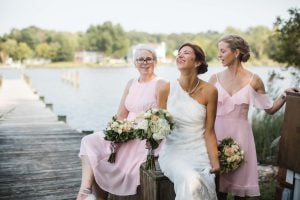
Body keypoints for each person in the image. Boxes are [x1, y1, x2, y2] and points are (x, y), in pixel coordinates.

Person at [208, 34, 298, 199]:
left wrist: (285, 95)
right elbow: (204, 109)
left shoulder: (254, 80)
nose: (219, 55)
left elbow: (269, 109)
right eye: (218, 51)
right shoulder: (214, 79)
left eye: (222, 51)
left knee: (240, 191)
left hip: (241, 139)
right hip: (217, 136)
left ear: (236, 53)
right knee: (217, 188)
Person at [77, 46, 169, 200]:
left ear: (155, 61)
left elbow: (162, 118)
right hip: (125, 132)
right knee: (88, 141)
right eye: (140, 59)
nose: (144, 62)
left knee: (119, 166)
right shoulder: (131, 83)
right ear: (135, 63)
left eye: (148, 59)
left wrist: (152, 136)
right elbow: (121, 114)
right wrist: (117, 131)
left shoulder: (162, 83)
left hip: (146, 135)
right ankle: (85, 190)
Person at [158, 43, 220, 200]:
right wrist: (150, 133)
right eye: (179, 53)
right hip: (173, 152)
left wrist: (215, 161)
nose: (180, 55)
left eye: (186, 53)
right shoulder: (165, 89)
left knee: (204, 179)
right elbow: (160, 128)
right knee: (190, 180)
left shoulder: (210, 91)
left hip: (199, 152)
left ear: (198, 62)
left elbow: (209, 131)